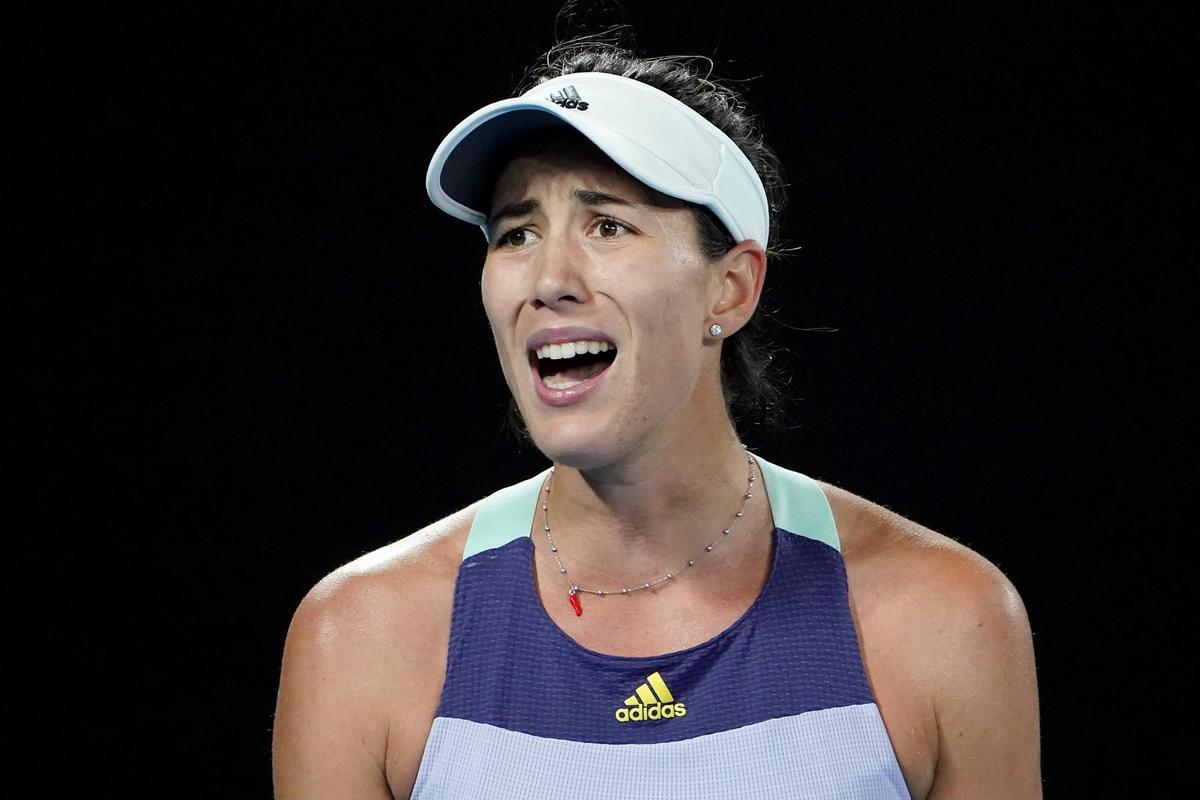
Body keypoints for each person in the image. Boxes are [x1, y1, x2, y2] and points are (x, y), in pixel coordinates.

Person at [272, 39, 1041, 800]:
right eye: (517, 233)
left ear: (731, 289)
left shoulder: (947, 620)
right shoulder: (359, 637)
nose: (549, 280)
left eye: (607, 226)